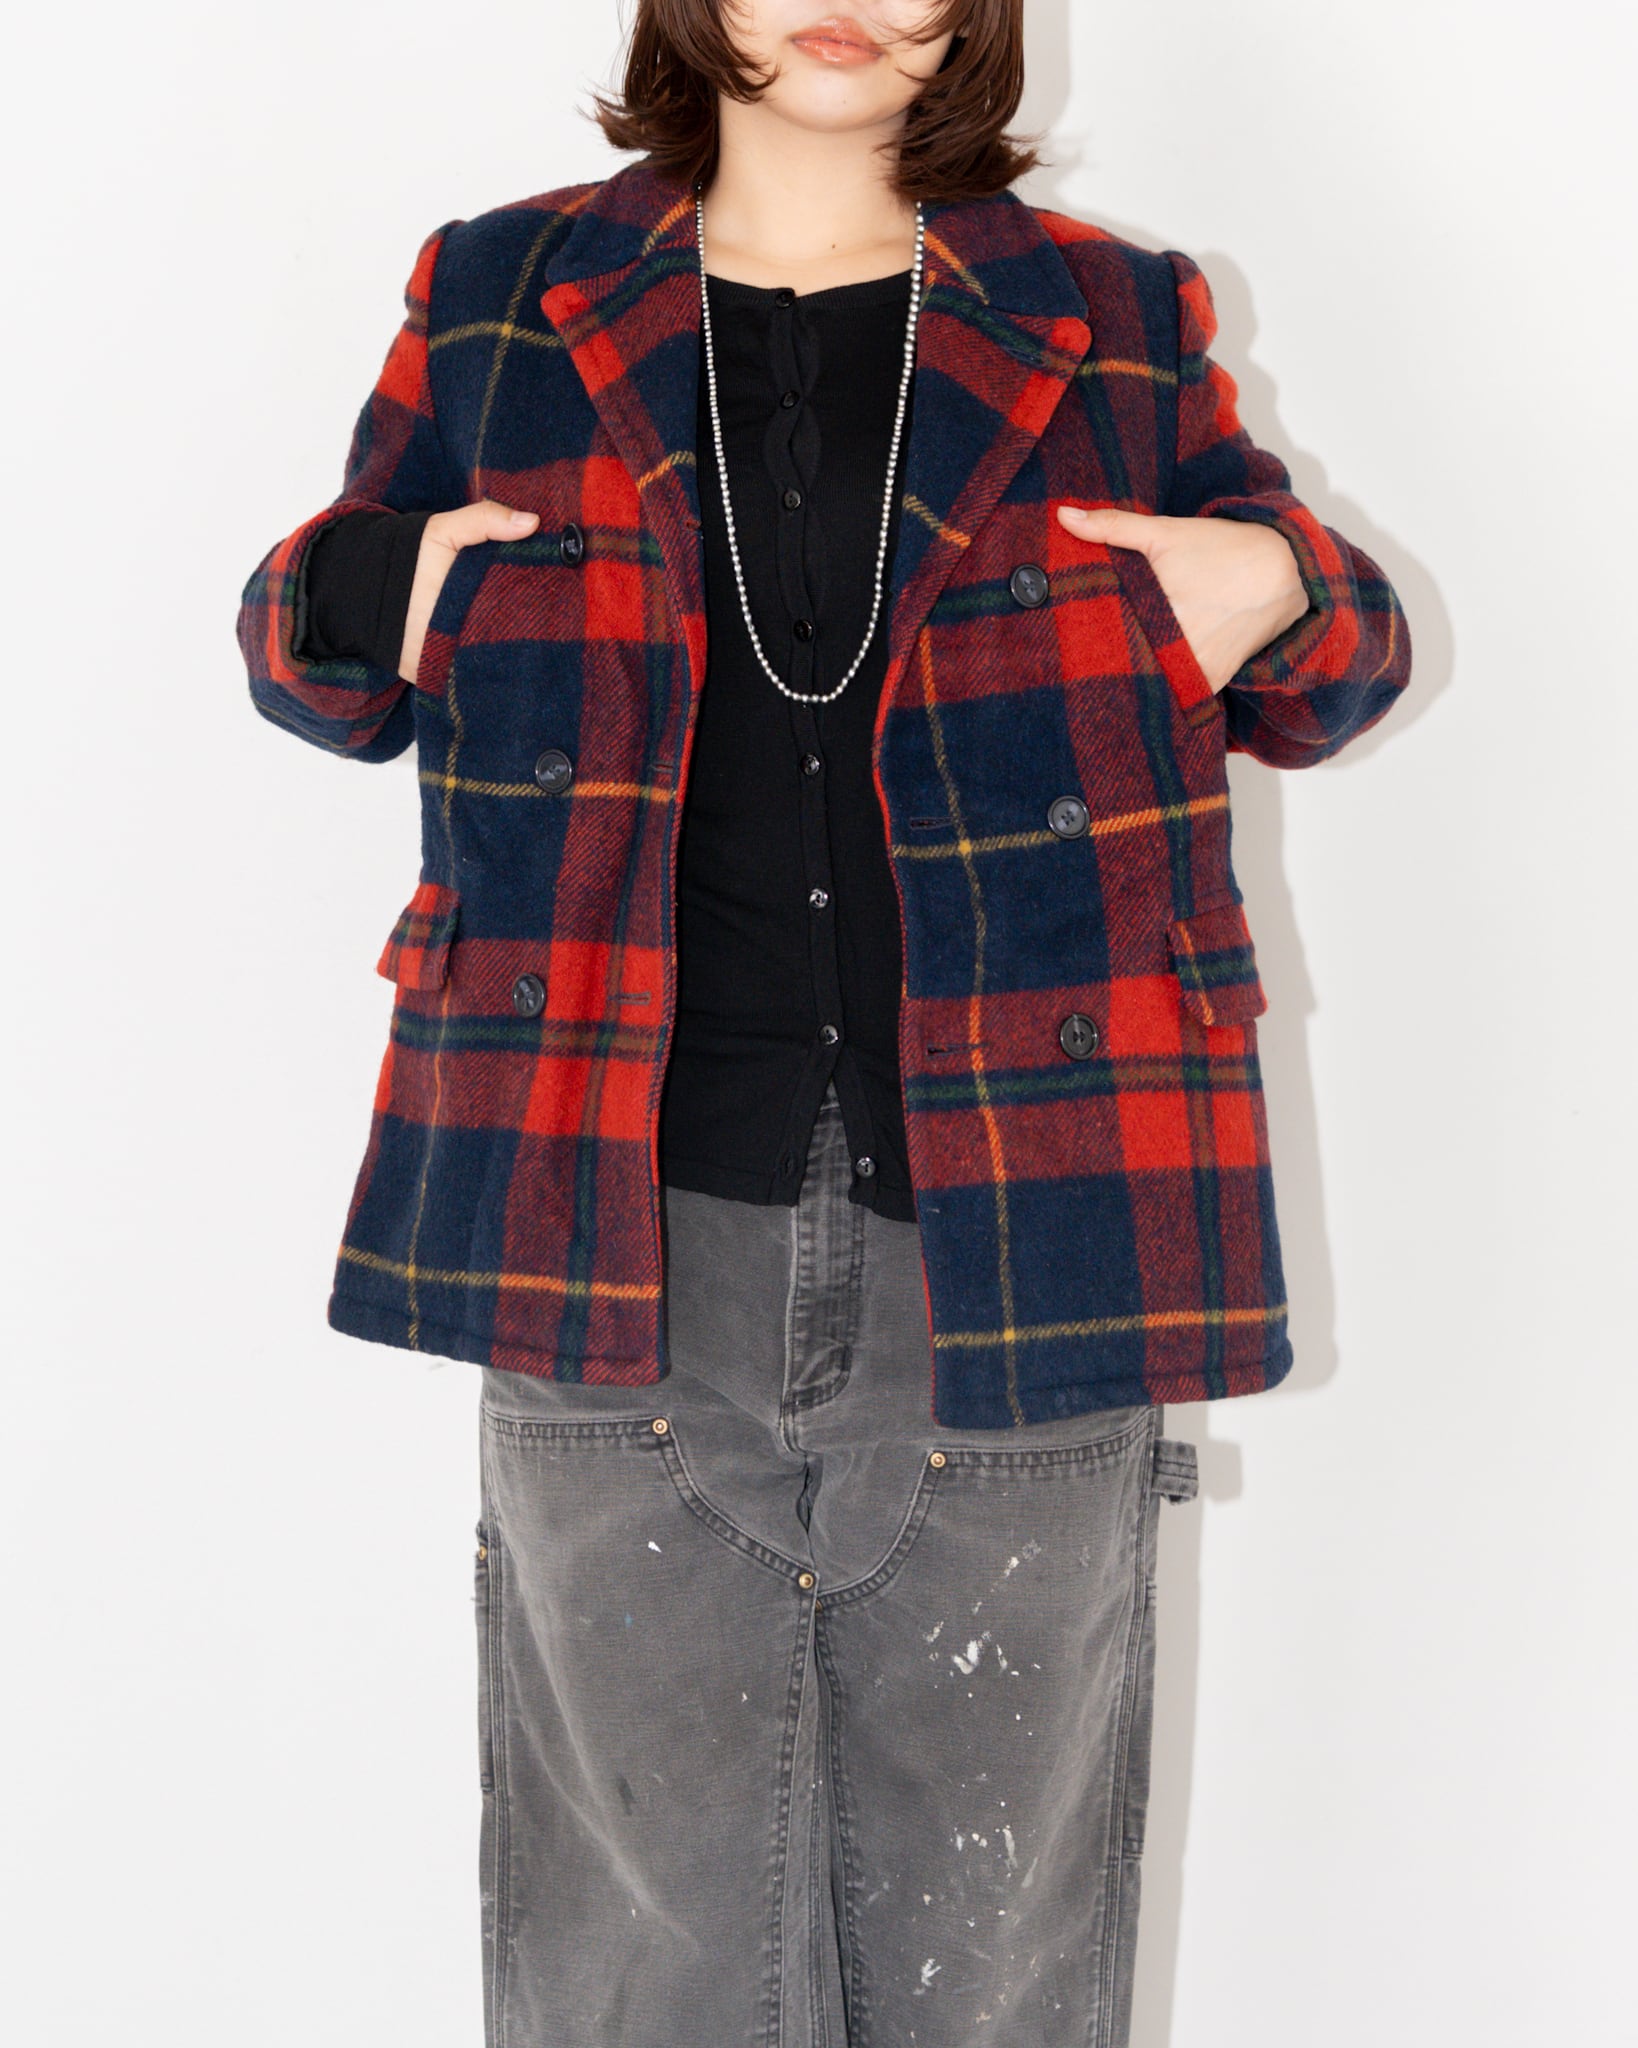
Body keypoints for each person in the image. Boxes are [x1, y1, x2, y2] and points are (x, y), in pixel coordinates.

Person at [235, 3, 1411, 2041]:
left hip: (1031, 1205)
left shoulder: (1110, 311)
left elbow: (1339, 665)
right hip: (606, 1201)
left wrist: (1281, 585)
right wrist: (371, 584)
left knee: (997, 1937)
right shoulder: (508, 287)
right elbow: (304, 657)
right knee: (631, 1949)